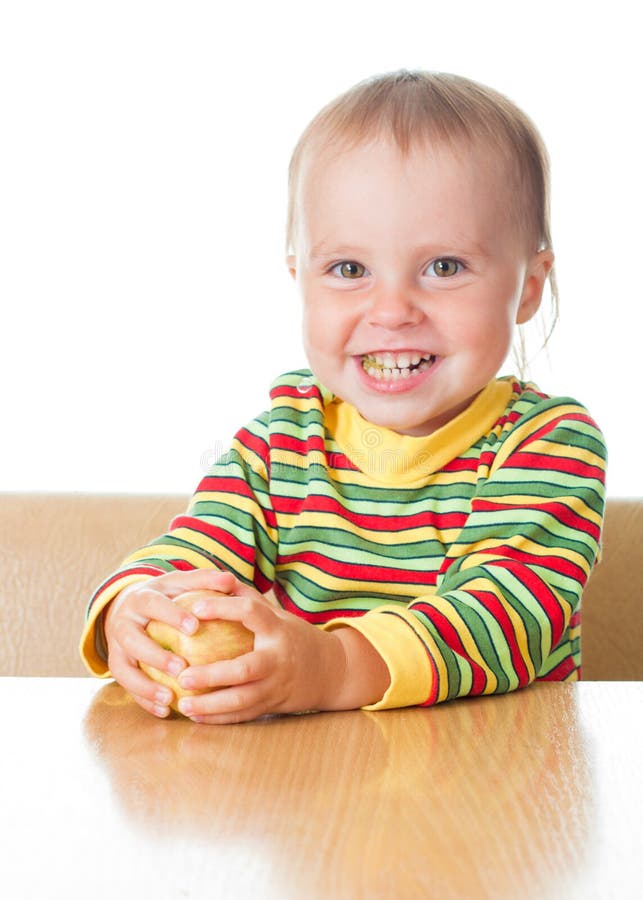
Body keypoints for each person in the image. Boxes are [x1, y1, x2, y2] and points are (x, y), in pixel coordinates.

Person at [79, 70, 607, 724]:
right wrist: (133, 607)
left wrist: (331, 668)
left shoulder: (547, 444)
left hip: (492, 781)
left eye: (443, 267)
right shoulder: (280, 443)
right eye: (349, 270)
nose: (390, 310)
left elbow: (502, 615)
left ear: (527, 285)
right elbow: (192, 557)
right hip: (317, 793)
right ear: (299, 278)